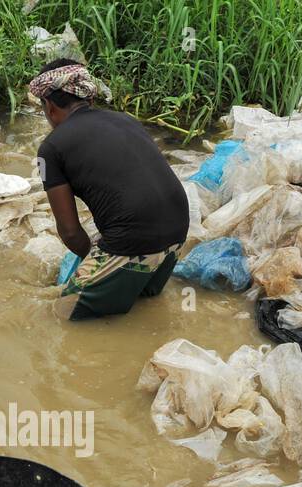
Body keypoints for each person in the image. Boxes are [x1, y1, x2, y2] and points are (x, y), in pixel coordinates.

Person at [31, 58, 189, 321]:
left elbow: (70, 232)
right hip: (177, 236)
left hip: (134, 243)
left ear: (49, 105)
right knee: (143, 305)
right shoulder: (125, 120)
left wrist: (95, 261)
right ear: (87, 96)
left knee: (61, 317)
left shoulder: (50, 150)